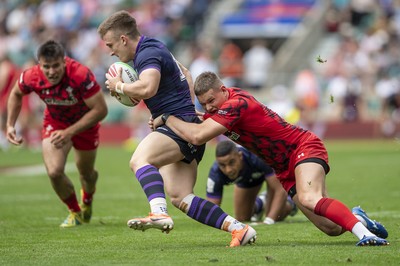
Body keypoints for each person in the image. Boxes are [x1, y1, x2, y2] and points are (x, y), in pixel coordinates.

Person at [152, 71, 389, 246]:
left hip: (302, 147)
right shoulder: (224, 107)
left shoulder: (236, 104)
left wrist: (166, 117)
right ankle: (357, 217)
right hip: (283, 166)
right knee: (332, 228)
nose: (209, 108)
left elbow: (198, 135)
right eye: (204, 104)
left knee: (309, 197)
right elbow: (200, 121)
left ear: (224, 90)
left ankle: (366, 235)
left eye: (212, 101)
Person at [97, 10, 256, 247]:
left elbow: (148, 88)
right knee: (181, 196)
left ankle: (158, 213)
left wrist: (119, 85)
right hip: (185, 124)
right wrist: (176, 108)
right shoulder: (156, 46)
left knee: (140, 160)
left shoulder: (147, 53)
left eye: (111, 44)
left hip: (179, 127)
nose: (110, 51)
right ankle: (240, 229)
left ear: (123, 39)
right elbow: (186, 74)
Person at [6, 40, 108, 228]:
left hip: (85, 124)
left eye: (55, 66)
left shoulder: (80, 74)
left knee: (86, 174)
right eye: (46, 67)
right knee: (54, 171)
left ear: (64, 62)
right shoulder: (31, 76)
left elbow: (101, 110)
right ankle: (75, 212)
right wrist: (10, 125)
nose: (51, 71)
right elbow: (16, 94)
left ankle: (87, 200)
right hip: (55, 123)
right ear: (39, 65)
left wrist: (69, 132)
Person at [207, 140, 297, 224]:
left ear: (240, 156)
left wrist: (269, 221)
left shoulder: (256, 156)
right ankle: (261, 203)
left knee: (276, 215)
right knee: (242, 218)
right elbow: (212, 210)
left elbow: (280, 189)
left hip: (271, 172)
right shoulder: (215, 173)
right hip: (247, 179)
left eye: (232, 162)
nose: (228, 170)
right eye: (222, 165)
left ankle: (291, 203)